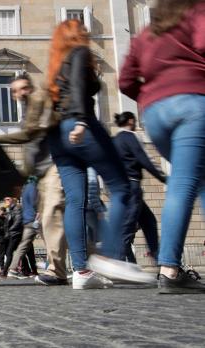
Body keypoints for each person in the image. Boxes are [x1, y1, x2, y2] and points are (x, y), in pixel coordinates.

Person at [46, 19, 152, 289]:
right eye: (82, 30)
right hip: (80, 126)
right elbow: (80, 89)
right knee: (121, 188)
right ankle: (111, 257)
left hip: (57, 137)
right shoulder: (79, 53)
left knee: (75, 201)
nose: (87, 33)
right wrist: (81, 120)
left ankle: (81, 272)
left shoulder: (56, 65)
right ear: (76, 36)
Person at [119, 0, 205, 293]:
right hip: (192, 102)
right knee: (184, 183)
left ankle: (169, 266)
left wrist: (148, 95)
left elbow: (125, 79)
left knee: (197, 179)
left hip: (155, 114)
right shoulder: (199, 10)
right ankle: (169, 269)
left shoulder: (146, 32)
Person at [0, 74, 69, 286]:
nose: (22, 93)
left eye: (25, 87)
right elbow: (30, 148)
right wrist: (22, 177)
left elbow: (29, 135)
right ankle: (64, 269)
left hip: (54, 166)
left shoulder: (40, 101)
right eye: (17, 90)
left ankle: (87, 261)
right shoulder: (28, 111)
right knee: (49, 223)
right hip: (39, 174)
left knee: (52, 216)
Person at [113, 111, 166, 263]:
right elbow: (144, 159)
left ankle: (159, 258)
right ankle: (118, 261)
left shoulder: (115, 140)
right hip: (132, 185)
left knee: (149, 221)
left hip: (122, 186)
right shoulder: (129, 137)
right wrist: (164, 178)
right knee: (129, 225)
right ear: (131, 121)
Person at [6, 177, 39, 278]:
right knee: (52, 242)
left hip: (28, 221)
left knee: (22, 247)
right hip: (36, 219)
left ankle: (12, 269)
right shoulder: (33, 187)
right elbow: (36, 203)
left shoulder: (24, 189)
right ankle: (54, 269)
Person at [0, 197, 23, 278]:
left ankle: (5, 271)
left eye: (8, 199)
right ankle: (23, 269)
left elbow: (18, 221)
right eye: (5, 199)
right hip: (12, 235)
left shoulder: (16, 208)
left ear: (12, 200)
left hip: (15, 234)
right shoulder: (10, 209)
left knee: (9, 253)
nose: (6, 201)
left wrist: (10, 230)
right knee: (18, 252)